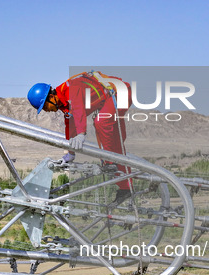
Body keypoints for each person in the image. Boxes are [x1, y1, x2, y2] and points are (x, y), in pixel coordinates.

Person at [27, 71, 133, 206]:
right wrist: (70, 153)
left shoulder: (71, 89)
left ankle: (111, 163)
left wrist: (81, 133)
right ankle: (125, 187)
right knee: (112, 142)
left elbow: (78, 110)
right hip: (109, 98)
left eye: (45, 106)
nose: (46, 110)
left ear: (51, 96)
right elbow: (70, 124)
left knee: (102, 123)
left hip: (120, 92)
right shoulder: (63, 103)